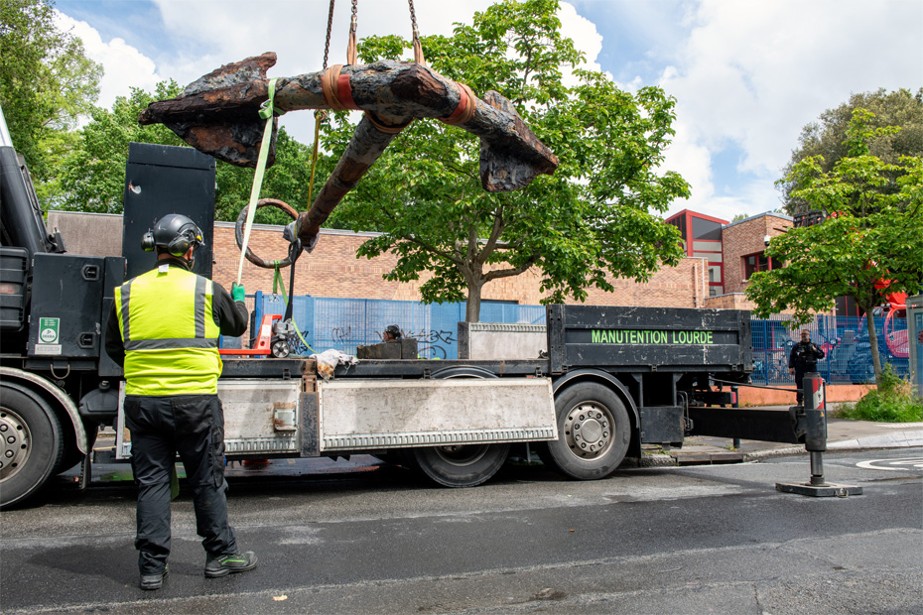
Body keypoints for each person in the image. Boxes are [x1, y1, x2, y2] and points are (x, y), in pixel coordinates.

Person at [105, 213, 257, 590]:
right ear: (187, 249)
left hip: (144, 403)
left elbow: (113, 346)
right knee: (207, 480)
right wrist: (239, 301)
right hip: (195, 403)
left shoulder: (126, 292)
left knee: (153, 483)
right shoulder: (205, 289)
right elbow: (237, 327)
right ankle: (220, 555)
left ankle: (152, 567)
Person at [788, 329, 825, 405]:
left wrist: (815, 350)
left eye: (806, 334)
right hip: (800, 368)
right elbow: (792, 357)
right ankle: (800, 401)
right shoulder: (797, 346)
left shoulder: (814, 345)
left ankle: (812, 401)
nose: (804, 336)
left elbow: (821, 355)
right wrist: (791, 367)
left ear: (809, 335)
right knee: (800, 385)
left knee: (812, 385)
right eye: (802, 334)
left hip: (811, 368)